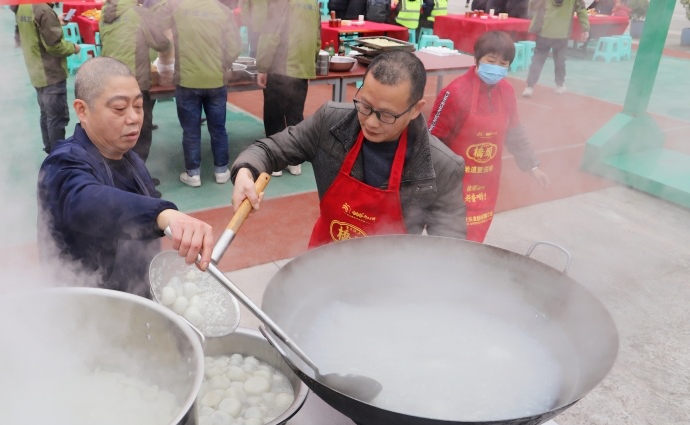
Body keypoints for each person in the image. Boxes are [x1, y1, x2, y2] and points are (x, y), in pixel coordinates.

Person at [231, 50, 466, 248]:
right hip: (323, 262)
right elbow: (270, 149)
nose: (371, 122)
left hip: (390, 279)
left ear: (415, 109)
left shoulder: (441, 167)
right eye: (365, 105)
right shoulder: (330, 123)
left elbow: (449, 247)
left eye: (386, 115)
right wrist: (245, 171)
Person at [37, 57, 215, 296]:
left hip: (137, 293)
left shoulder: (130, 158)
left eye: (138, 106)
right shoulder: (62, 163)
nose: (134, 118)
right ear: (82, 110)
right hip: (87, 304)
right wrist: (163, 214)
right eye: (119, 108)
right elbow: (87, 201)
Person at [428, 31, 549, 242]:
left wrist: (532, 166)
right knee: (447, 241)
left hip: (486, 185)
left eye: (503, 63)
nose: (497, 67)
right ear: (477, 59)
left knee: (475, 239)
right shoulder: (455, 92)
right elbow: (432, 141)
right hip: (453, 187)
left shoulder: (507, 92)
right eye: (491, 61)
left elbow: (514, 132)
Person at [154, 0, 241, 188]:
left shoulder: (178, 8)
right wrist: (223, 64)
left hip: (187, 81)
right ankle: (221, 170)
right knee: (218, 129)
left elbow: (154, 21)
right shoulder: (223, 11)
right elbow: (235, 48)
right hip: (215, 80)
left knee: (191, 131)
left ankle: (193, 173)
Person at [99, 0, 170, 164]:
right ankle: (136, 174)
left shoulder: (105, 14)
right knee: (140, 130)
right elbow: (160, 42)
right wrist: (170, 42)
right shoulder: (139, 13)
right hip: (134, 82)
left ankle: (117, 170)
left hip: (109, 79)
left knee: (117, 129)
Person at [255, 0, 321, 177]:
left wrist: (262, 67)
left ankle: (276, 163)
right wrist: (309, 66)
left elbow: (270, 35)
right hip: (302, 68)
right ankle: (295, 161)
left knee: (274, 116)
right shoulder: (312, 3)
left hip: (280, 67)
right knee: (295, 116)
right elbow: (317, 38)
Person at [17, 3, 81, 154]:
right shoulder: (44, 10)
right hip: (50, 72)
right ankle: (58, 155)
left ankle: (50, 149)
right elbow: (55, 47)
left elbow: (35, 29)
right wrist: (73, 48)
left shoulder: (24, 6)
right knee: (57, 118)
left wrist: (55, 21)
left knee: (46, 114)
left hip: (36, 69)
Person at [523, 0, 589, 97]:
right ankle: (558, 85)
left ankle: (531, 86)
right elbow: (581, 10)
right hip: (557, 34)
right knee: (557, 61)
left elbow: (532, 5)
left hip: (549, 33)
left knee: (541, 60)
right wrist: (585, 29)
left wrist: (585, 28)